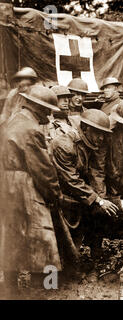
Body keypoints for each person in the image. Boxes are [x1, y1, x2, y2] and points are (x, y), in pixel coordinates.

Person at [0, 86, 62, 296]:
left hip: (7, 184)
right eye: (47, 110)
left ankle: (9, 288)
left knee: (12, 235)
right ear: (38, 108)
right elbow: (42, 169)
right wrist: (55, 193)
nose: (49, 114)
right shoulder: (31, 129)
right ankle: (47, 288)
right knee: (43, 237)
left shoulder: (14, 120)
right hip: (25, 183)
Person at [51, 109, 119, 268]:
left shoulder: (89, 145)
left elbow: (95, 172)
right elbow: (71, 180)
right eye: (98, 134)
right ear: (86, 129)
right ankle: (60, 271)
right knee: (60, 238)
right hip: (57, 195)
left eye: (103, 134)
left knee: (96, 215)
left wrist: (101, 199)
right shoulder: (65, 145)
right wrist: (99, 200)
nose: (101, 138)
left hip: (74, 194)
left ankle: (85, 258)